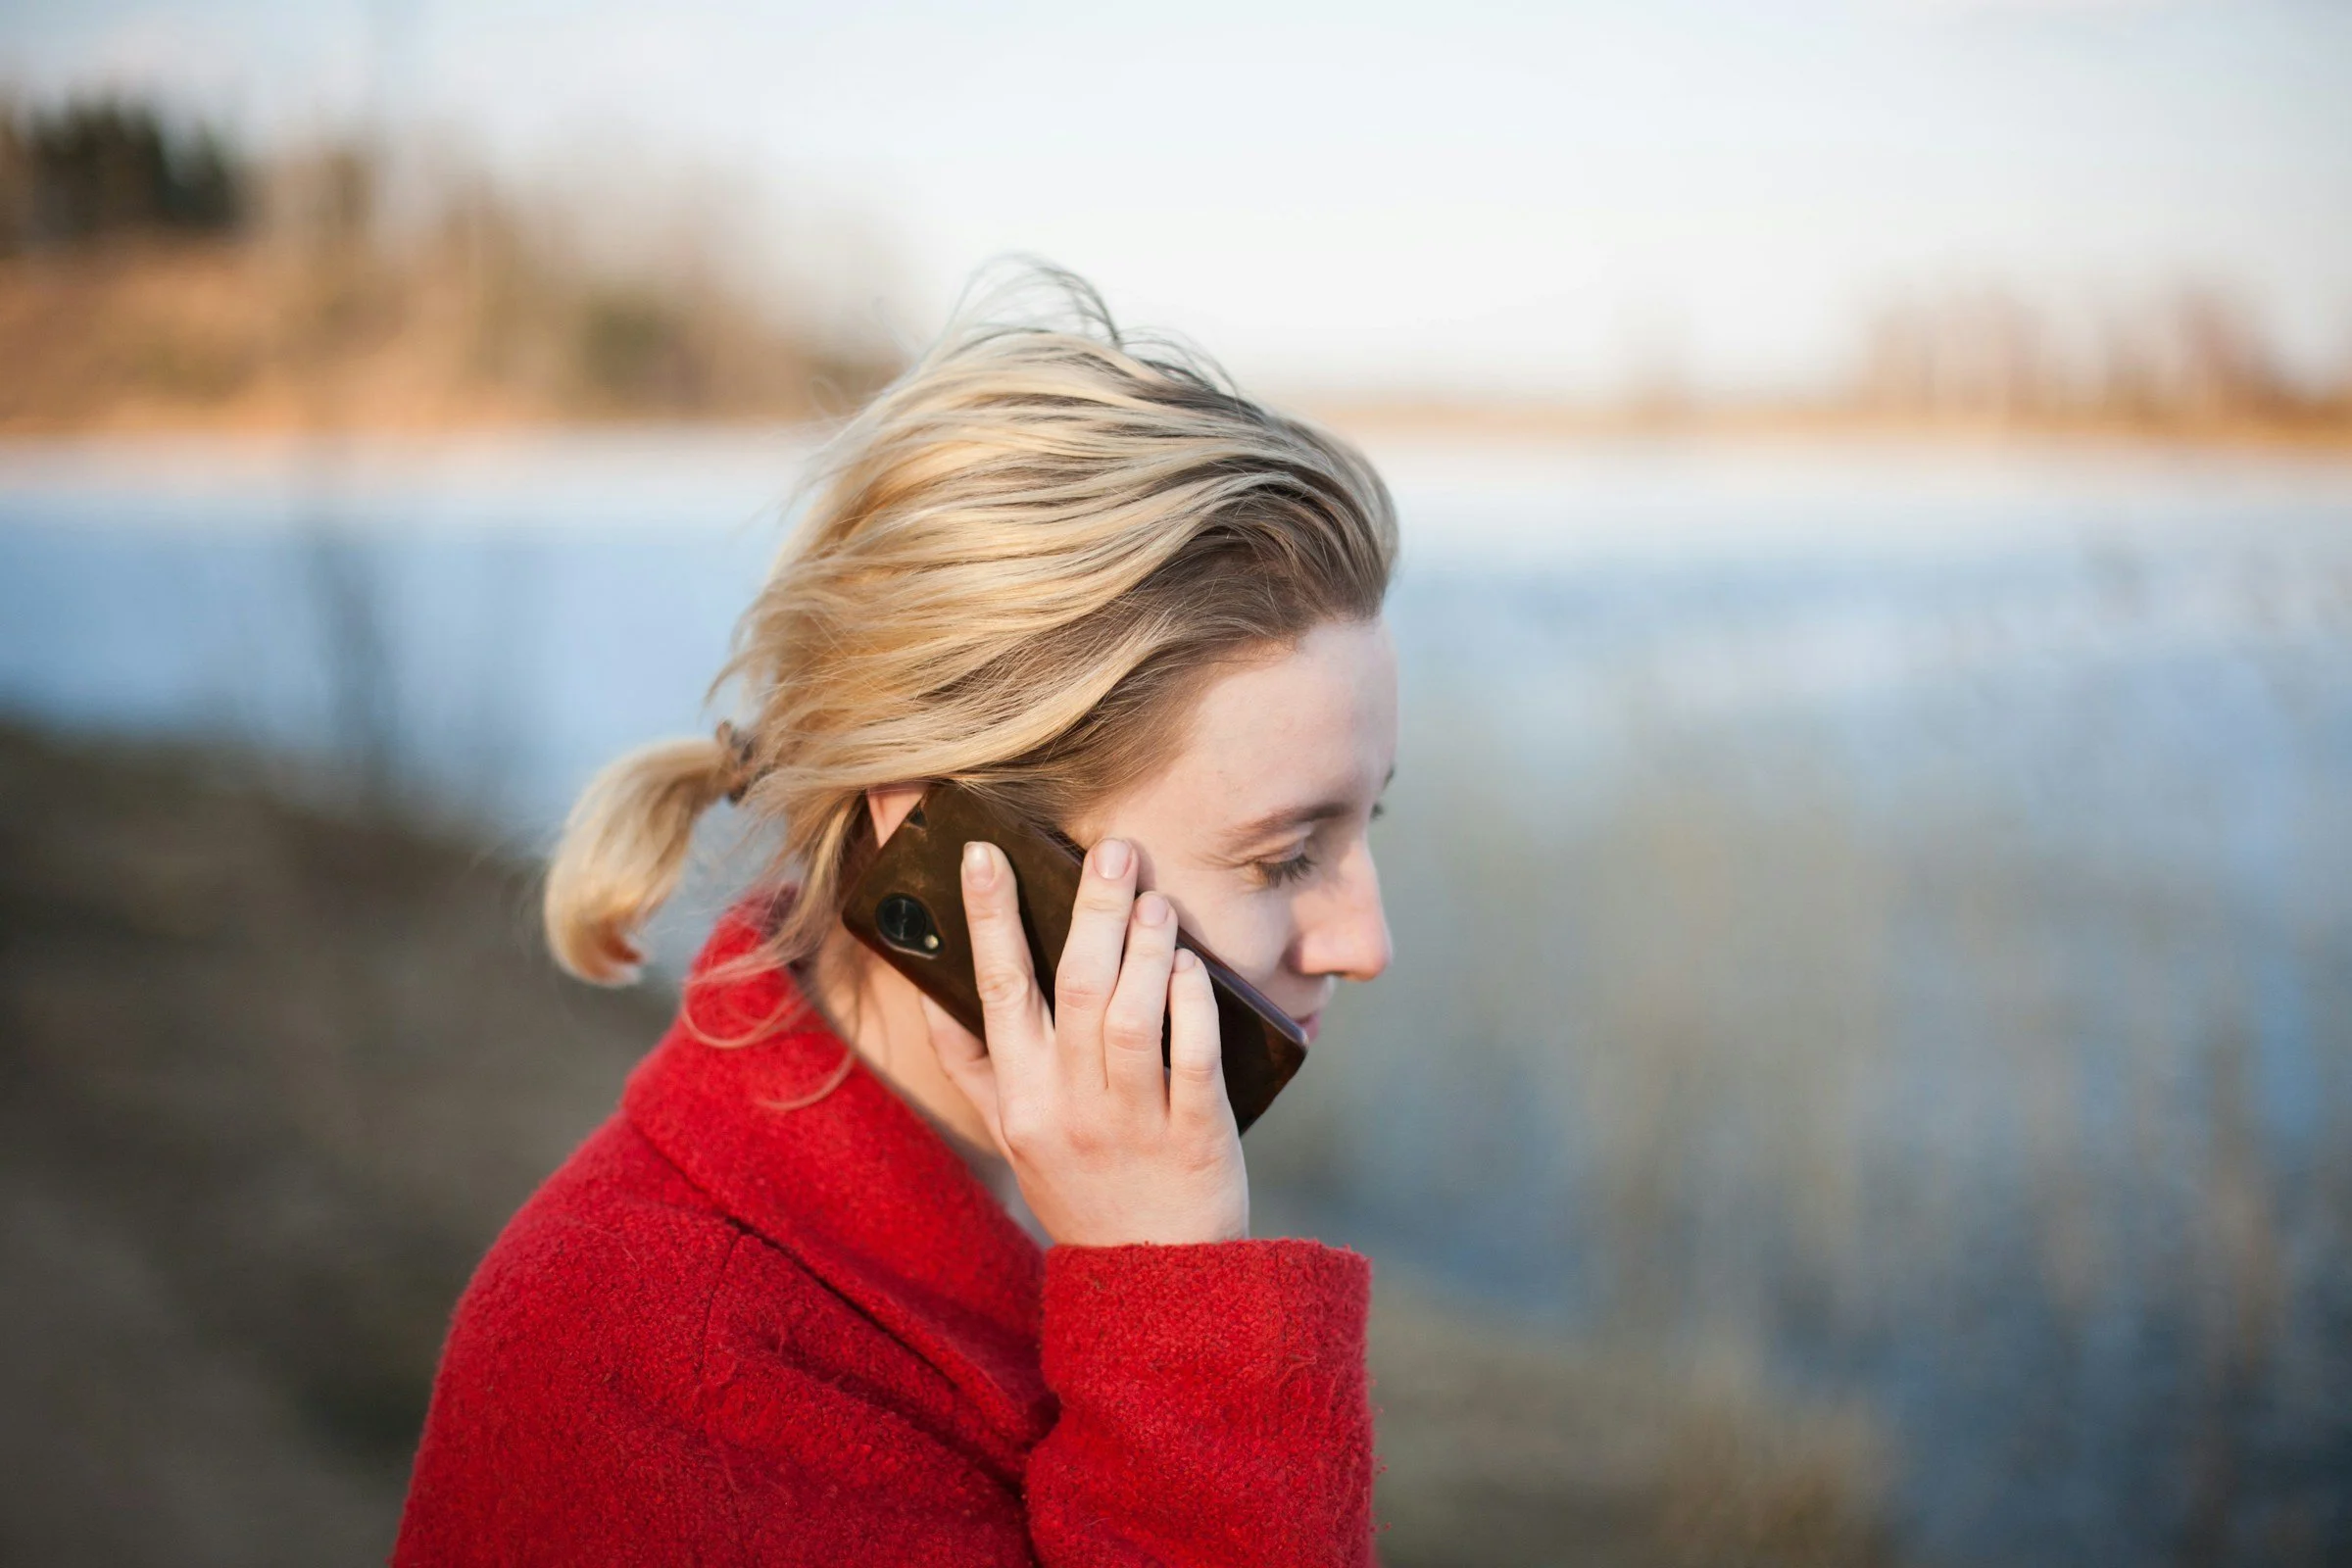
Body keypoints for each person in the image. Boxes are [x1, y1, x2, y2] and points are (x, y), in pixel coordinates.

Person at [394, 265, 1400, 1566]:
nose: (1365, 944)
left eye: (1371, 824)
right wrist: (1179, 1306)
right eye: (1282, 856)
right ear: (948, 846)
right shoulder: (642, 1364)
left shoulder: (1050, 1204)